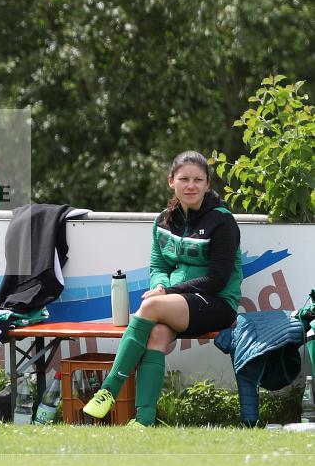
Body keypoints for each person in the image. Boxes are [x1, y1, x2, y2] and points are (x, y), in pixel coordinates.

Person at [83, 150, 242, 426]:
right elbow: (158, 267)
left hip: (217, 303)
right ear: (171, 181)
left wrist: (166, 293)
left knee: (150, 306)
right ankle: (143, 421)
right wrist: (160, 285)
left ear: (207, 184)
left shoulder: (222, 221)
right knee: (156, 334)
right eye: (184, 179)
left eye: (198, 180)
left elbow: (217, 279)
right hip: (179, 305)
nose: (191, 186)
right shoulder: (164, 220)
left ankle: (108, 390)